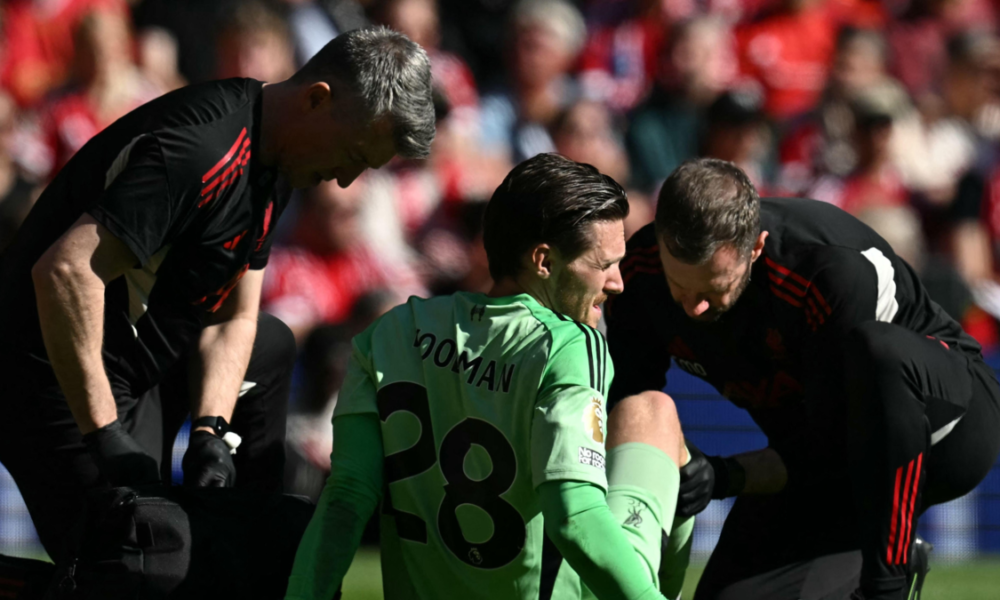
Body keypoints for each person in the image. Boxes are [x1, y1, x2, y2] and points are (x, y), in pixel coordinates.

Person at [0, 26, 435, 562]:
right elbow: (65, 273)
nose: (345, 181)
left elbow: (236, 313)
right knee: (145, 557)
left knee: (270, 345)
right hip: (48, 371)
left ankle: (251, 542)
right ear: (317, 99)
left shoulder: (277, 160)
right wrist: (105, 434)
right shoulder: (201, 150)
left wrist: (210, 430)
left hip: (138, 367)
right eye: (352, 154)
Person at [285, 153, 689, 600]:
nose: (617, 283)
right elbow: (576, 519)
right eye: (603, 264)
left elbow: (345, 500)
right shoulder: (571, 345)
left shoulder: (390, 332)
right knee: (653, 412)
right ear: (543, 260)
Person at [605, 158, 1000, 600]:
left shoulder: (826, 270)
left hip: (946, 429)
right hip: (819, 456)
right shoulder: (639, 274)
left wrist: (725, 475)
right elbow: (628, 402)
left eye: (714, 288)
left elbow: (839, 444)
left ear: (755, 248)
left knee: (881, 354)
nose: (694, 309)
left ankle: (886, 583)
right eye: (682, 286)